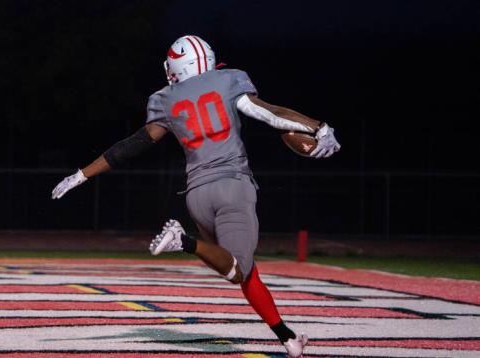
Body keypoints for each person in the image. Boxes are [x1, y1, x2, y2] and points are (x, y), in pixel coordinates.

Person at [52, 35, 340, 357]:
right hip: (232, 185)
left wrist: (81, 174)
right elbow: (270, 114)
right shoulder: (229, 79)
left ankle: (287, 337)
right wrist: (319, 127)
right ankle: (182, 240)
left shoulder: (165, 98)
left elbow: (131, 145)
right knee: (237, 270)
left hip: (197, 195)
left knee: (245, 270)